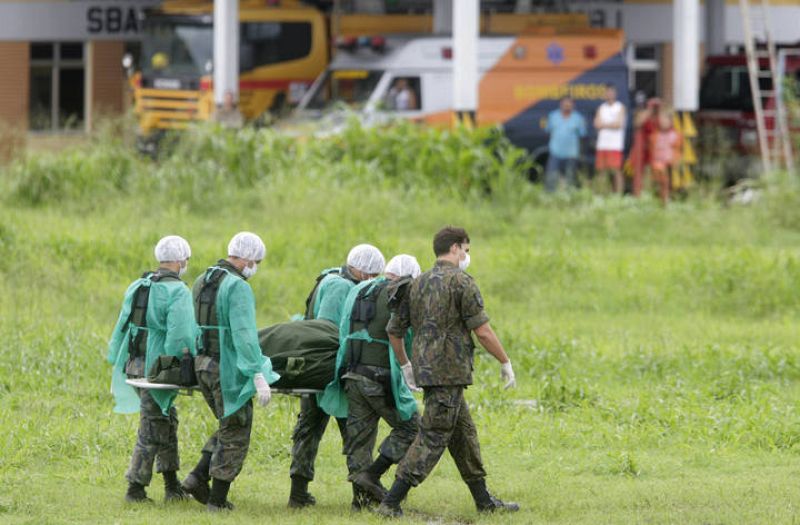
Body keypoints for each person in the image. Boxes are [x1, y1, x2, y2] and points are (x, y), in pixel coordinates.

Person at [377, 227, 519, 517]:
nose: (467, 255)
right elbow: (482, 330)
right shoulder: (462, 282)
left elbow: (394, 330)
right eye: (466, 249)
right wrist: (505, 361)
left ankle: (484, 501)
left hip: (430, 373)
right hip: (449, 373)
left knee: (463, 434)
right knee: (433, 436)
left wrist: (406, 366)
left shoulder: (416, 283)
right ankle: (390, 503)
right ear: (454, 248)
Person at [181, 232, 279, 512]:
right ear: (247, 258)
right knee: (236, 430)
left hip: (203, 363)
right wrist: (257, 373)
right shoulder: (237, 287)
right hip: (226, 369)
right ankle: (217, 500)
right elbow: (244, 335)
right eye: (257, 262)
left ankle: (197, 477)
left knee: (228, 425)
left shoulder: (203, 279)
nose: (255, 267)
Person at [319, 254, 422, 511]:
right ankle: (372, 475)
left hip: (351, 374)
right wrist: (408, 367)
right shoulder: (398, 293)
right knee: (412, 428)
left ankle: (361, 501)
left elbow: (344, 326)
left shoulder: (360, 288)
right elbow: (404, 334)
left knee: (359, 440)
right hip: (380, 378)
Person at [288, 244, 386, 508]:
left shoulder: (331, 277)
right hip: (329, 370)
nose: (374, 279)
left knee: (309, 429)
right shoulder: (340, 286)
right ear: (363, 270)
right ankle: (360, 496)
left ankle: (299, 494)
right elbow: (328, 331)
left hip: (316, 368)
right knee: (354, 432)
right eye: (373, 274)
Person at [107, 235, 197, 503]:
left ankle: (172, 485)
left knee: (165, 419)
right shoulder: (177, 291)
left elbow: (122, 324)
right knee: (152, 426)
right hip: (157, 368)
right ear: (180, 261)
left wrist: (115, 355)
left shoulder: (140, 284)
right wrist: (183, 365)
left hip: (133, 363)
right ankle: (135, 489)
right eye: (186, 260)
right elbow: (180, 335)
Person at [544, 96, 587, 192]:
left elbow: (582, 135)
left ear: (573, 105)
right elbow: (548, 131)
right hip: (555, 151)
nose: (567, 105)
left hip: (571, 153)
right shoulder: (553, 116)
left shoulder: (578, 118)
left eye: (569, 103)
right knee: (551, 177)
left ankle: (568, 197)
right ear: (561, 104)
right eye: (565, 103)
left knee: (570, 178)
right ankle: (549, 197)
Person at [594, 85, 627, 194]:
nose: (609, 94)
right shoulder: (601, 108)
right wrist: (610, 124)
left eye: (611, 92)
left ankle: (618, 194)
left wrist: (604, 124)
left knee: (616, 171)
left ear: (615, 93)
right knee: (601, 171)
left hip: (615, 145)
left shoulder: (620, 107)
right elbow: (597, 124)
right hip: (602, 145)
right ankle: (602, 194)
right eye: (607, 92)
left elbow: (618, 124)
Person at [629, 96, 662, 197]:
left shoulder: (660, 116)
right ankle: (638, 194)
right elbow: (637, 123)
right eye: (653, 107)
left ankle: (656, 193)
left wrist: (660, 110)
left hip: (656, 148)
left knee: (657, 171)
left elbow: (665, 125)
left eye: (656, 107)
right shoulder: (644, 114)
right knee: (639, 172)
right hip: (642, 148)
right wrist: (649, 111)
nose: (655, 109)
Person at [649, 109, 683, 204]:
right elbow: (652, 149)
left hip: (670, 163)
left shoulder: (676, 135)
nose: (663, 122)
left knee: (668, 179)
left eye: (665, 120)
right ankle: (660, 198)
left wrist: (674, 160)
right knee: (658, 177)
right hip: (658, 162)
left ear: (671, 121)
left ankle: (668, 198)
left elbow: (678, 151)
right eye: (661, 120)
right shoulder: (655, 135)